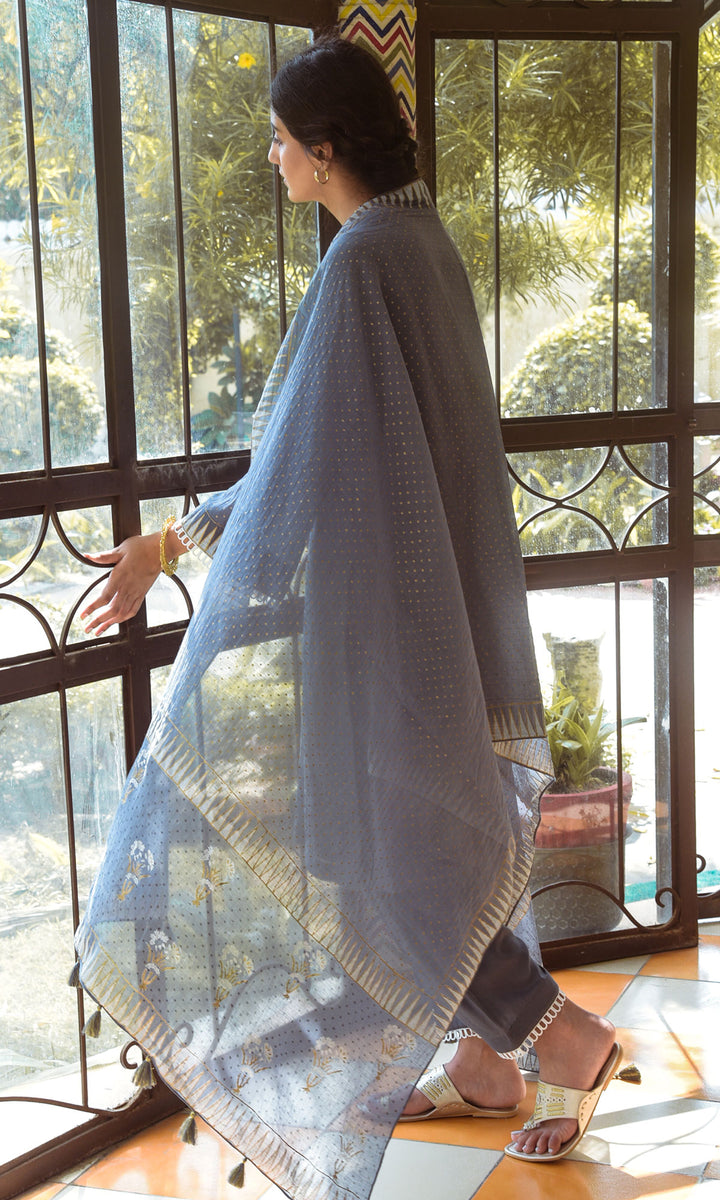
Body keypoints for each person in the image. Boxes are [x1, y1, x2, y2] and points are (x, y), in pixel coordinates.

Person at [76, 35, 628, 1200]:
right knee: (425, 836)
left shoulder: (366, 258)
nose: (274, 159)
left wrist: (171, 542)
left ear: (325, 150)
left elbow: (299, 466)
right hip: (433, 613)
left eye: (281, 141)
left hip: (394, 635)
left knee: (394, 858)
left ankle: (566, 1040)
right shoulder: (420, 239)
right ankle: (486, 1063)